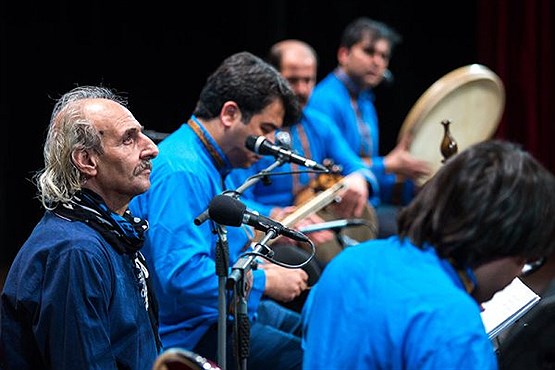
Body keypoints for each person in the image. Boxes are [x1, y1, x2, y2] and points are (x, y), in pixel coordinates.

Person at [301, 139, 555, 369]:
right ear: (497, 243)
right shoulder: (454, 325)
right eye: (522, 260)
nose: (518, 273)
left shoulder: (348, 263)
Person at [129, 51, 306, 370]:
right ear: (229, 113)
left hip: (220, 308)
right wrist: (267, 281)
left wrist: (268, 225)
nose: (266, 147)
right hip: (191, 330)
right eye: (264, 129)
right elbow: (181, 277)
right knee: (306, 358)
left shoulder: (206, 160)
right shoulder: (183, 171)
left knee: (316, 331)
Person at [0, 85, 162, 369]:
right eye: (128, 140)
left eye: (142, 134)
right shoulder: (76, 252)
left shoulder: (110, 230)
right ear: (87, 160)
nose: (152, 148)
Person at [230, 40, 380, 269]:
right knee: (307, 264)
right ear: (273, 78)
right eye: (292, 80)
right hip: (270, 235)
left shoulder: (319, 125)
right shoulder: (254, 129)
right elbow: (233, 198)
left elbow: (357, 167)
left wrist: (358, 180)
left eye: (308, 80)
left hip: (312, 228)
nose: (301, 90)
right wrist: (276, 215)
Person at [307, 17, 432, 238]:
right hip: (335, 209)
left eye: (384, 56)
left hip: (368, 203)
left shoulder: (365, 101)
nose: (377, 61)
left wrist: (410, 186)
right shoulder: (324, 100)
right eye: (369, 51)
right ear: (343, 54)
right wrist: (389, 165)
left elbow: (366, 165)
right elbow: (329, 169)